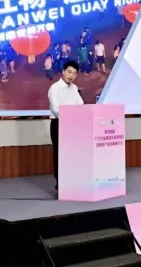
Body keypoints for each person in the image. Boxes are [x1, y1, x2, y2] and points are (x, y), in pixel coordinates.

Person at [48, 61, 84, 191]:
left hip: (73, 124)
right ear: (63, 72)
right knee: (60, 154)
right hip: (58, 124)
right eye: (69, 72)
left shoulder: (74, 88)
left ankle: (72, 181)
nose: (71, 76)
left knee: (72, 153)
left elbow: (81, 104)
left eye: (74, 73)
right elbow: (56, 110)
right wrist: (73, 114)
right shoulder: (55, 88)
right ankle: (61, 185)